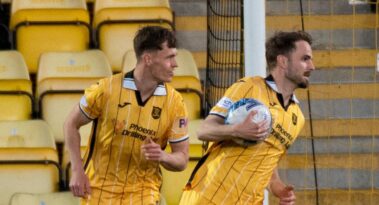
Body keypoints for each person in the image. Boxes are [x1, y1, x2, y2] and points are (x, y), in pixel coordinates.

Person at [179, 31, 315, 205]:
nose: (312, 66)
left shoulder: (297, 118)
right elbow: (204, 130)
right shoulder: (249, 87)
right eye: (305, 59)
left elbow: (268, 160)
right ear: (283, 61)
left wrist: (278, 188)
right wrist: (237, 130)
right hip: (210, 196)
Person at [64, 26, 189, 205]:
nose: (175, 64)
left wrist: (163, 156)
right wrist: (77, 170)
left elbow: (182, 159)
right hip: (99, 190)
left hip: (143, 192)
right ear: (148, 58)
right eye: (169, 57)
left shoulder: (175, 103)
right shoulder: (106, 89)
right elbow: (70, 124)